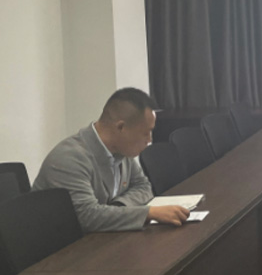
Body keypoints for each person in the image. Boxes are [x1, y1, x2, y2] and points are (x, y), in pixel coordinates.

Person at [33, 87, 190, 232]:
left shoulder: (122, 150)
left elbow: (143, 187)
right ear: (121, 127)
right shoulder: (69, 158)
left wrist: (118, 207)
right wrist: (148, 213)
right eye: (145, 133)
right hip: (61, 247)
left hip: (100, 238)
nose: (149, 140)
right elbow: (87, 217)